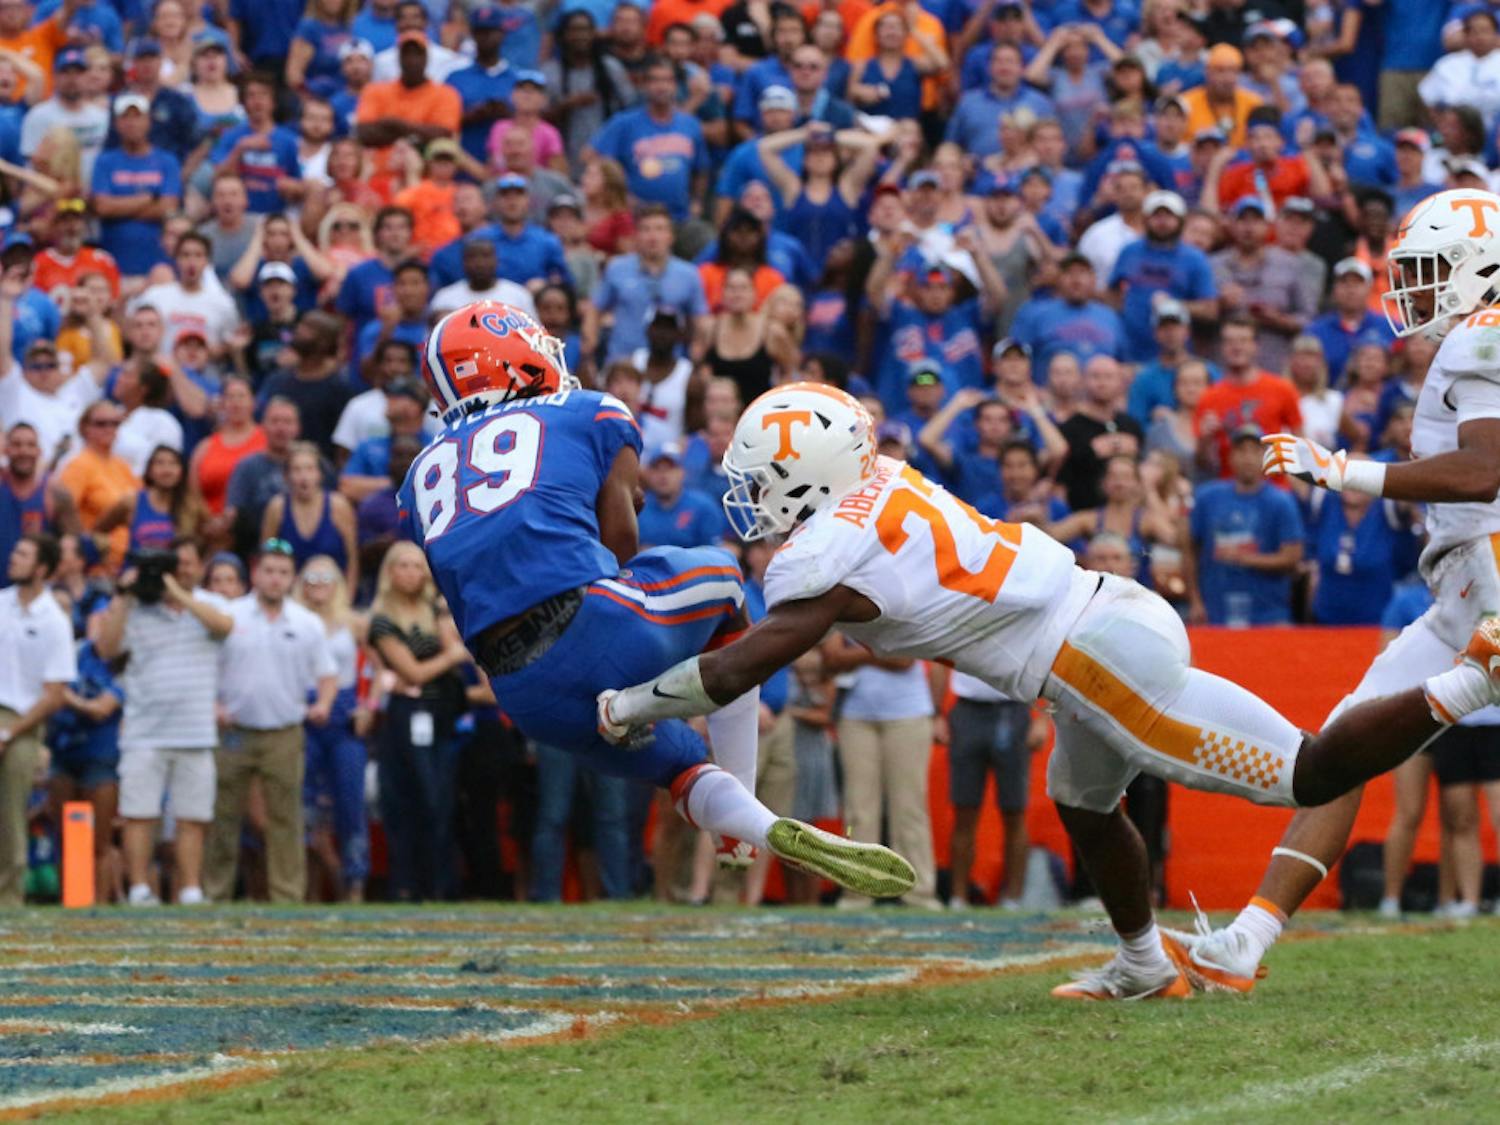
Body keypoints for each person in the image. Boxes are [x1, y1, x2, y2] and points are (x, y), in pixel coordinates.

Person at [597, 379, 1500, 999]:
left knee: (1305, 774)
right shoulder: (876, 487)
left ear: (809, 473)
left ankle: (1470, 677)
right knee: (1082, 800)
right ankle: (1143, 961)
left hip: (1091, 655)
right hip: (1097, 625)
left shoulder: (826, 552)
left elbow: (743, 664)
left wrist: (630, 706)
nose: (751, 497)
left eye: (762, 481)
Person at [400, 301, 915, 896]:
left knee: (683, 766)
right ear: (515, 360)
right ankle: (735, 798)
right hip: (592, 622)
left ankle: (754, 827)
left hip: (517, 686)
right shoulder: (587, 412)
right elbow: (620, 548)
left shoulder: (419, 478)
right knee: (724, 577)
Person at [1171, 187, 1500, 991]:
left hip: (1489, 568)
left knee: (1346, 746)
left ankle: (1468, 682)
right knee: (1341, 748)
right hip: (1462, 588)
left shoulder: (1480, 337)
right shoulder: (1472, 339)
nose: (1412, 290)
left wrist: (1339, 470)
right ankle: (1248, 938)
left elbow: (1486, 468)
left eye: (1428, 271)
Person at [95, 542, 233, 905]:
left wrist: (176, 592)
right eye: (175, 564)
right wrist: (125, 595)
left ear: (200, 566)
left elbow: (224, 627)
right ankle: (140, 888)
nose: (181, 570)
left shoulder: (211, 604)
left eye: (187, 564)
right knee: (140, 814)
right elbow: (106, 649)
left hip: (196, 731)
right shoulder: (137, 607)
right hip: (144, 731)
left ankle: (190, 889)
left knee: (193, 816)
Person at [205, 538, 338, 903]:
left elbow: (327, 674)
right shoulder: (230, 616)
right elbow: (206, 668)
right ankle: (215, 893)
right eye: (269, 571)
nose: (276, 579)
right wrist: (213, 704)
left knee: (285, 818)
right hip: (234, 729)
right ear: (255, 574)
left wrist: (324, 702)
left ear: (292, 577)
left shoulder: (307, 622)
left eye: (283, 572)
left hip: (284, 730)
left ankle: (287, 896)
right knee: (223, 816)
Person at [0, 533, 73, 906]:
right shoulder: (0, 604)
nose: (13, 558)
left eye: (23, 554)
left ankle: (8, 900)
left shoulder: (55, 621)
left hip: (25, 722)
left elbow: (55, 694)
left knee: (11, 812)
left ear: (42, 568)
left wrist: (10, 731)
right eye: (15, 551)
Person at [293, 556, 369, 901]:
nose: (318, 583)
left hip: (343, 711)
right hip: (302, 710)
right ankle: (308, 886)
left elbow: (380, 668)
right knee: (304, 804)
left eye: (326, 577)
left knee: (350, 801)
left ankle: (354, 884)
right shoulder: (293, 620)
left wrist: (369, 705)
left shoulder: (355, 622)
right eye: (311, 577)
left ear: (338, 582)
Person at [261, 441, 357, 589]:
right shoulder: (277, 507)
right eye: (297, 470)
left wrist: (347, 601)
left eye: (310, 469)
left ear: (320, 474)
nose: (303, 476)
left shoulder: (338, 506)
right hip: (290, 595)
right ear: (287, 476)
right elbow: (267, 554)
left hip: (334, 595)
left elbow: (352, 559)